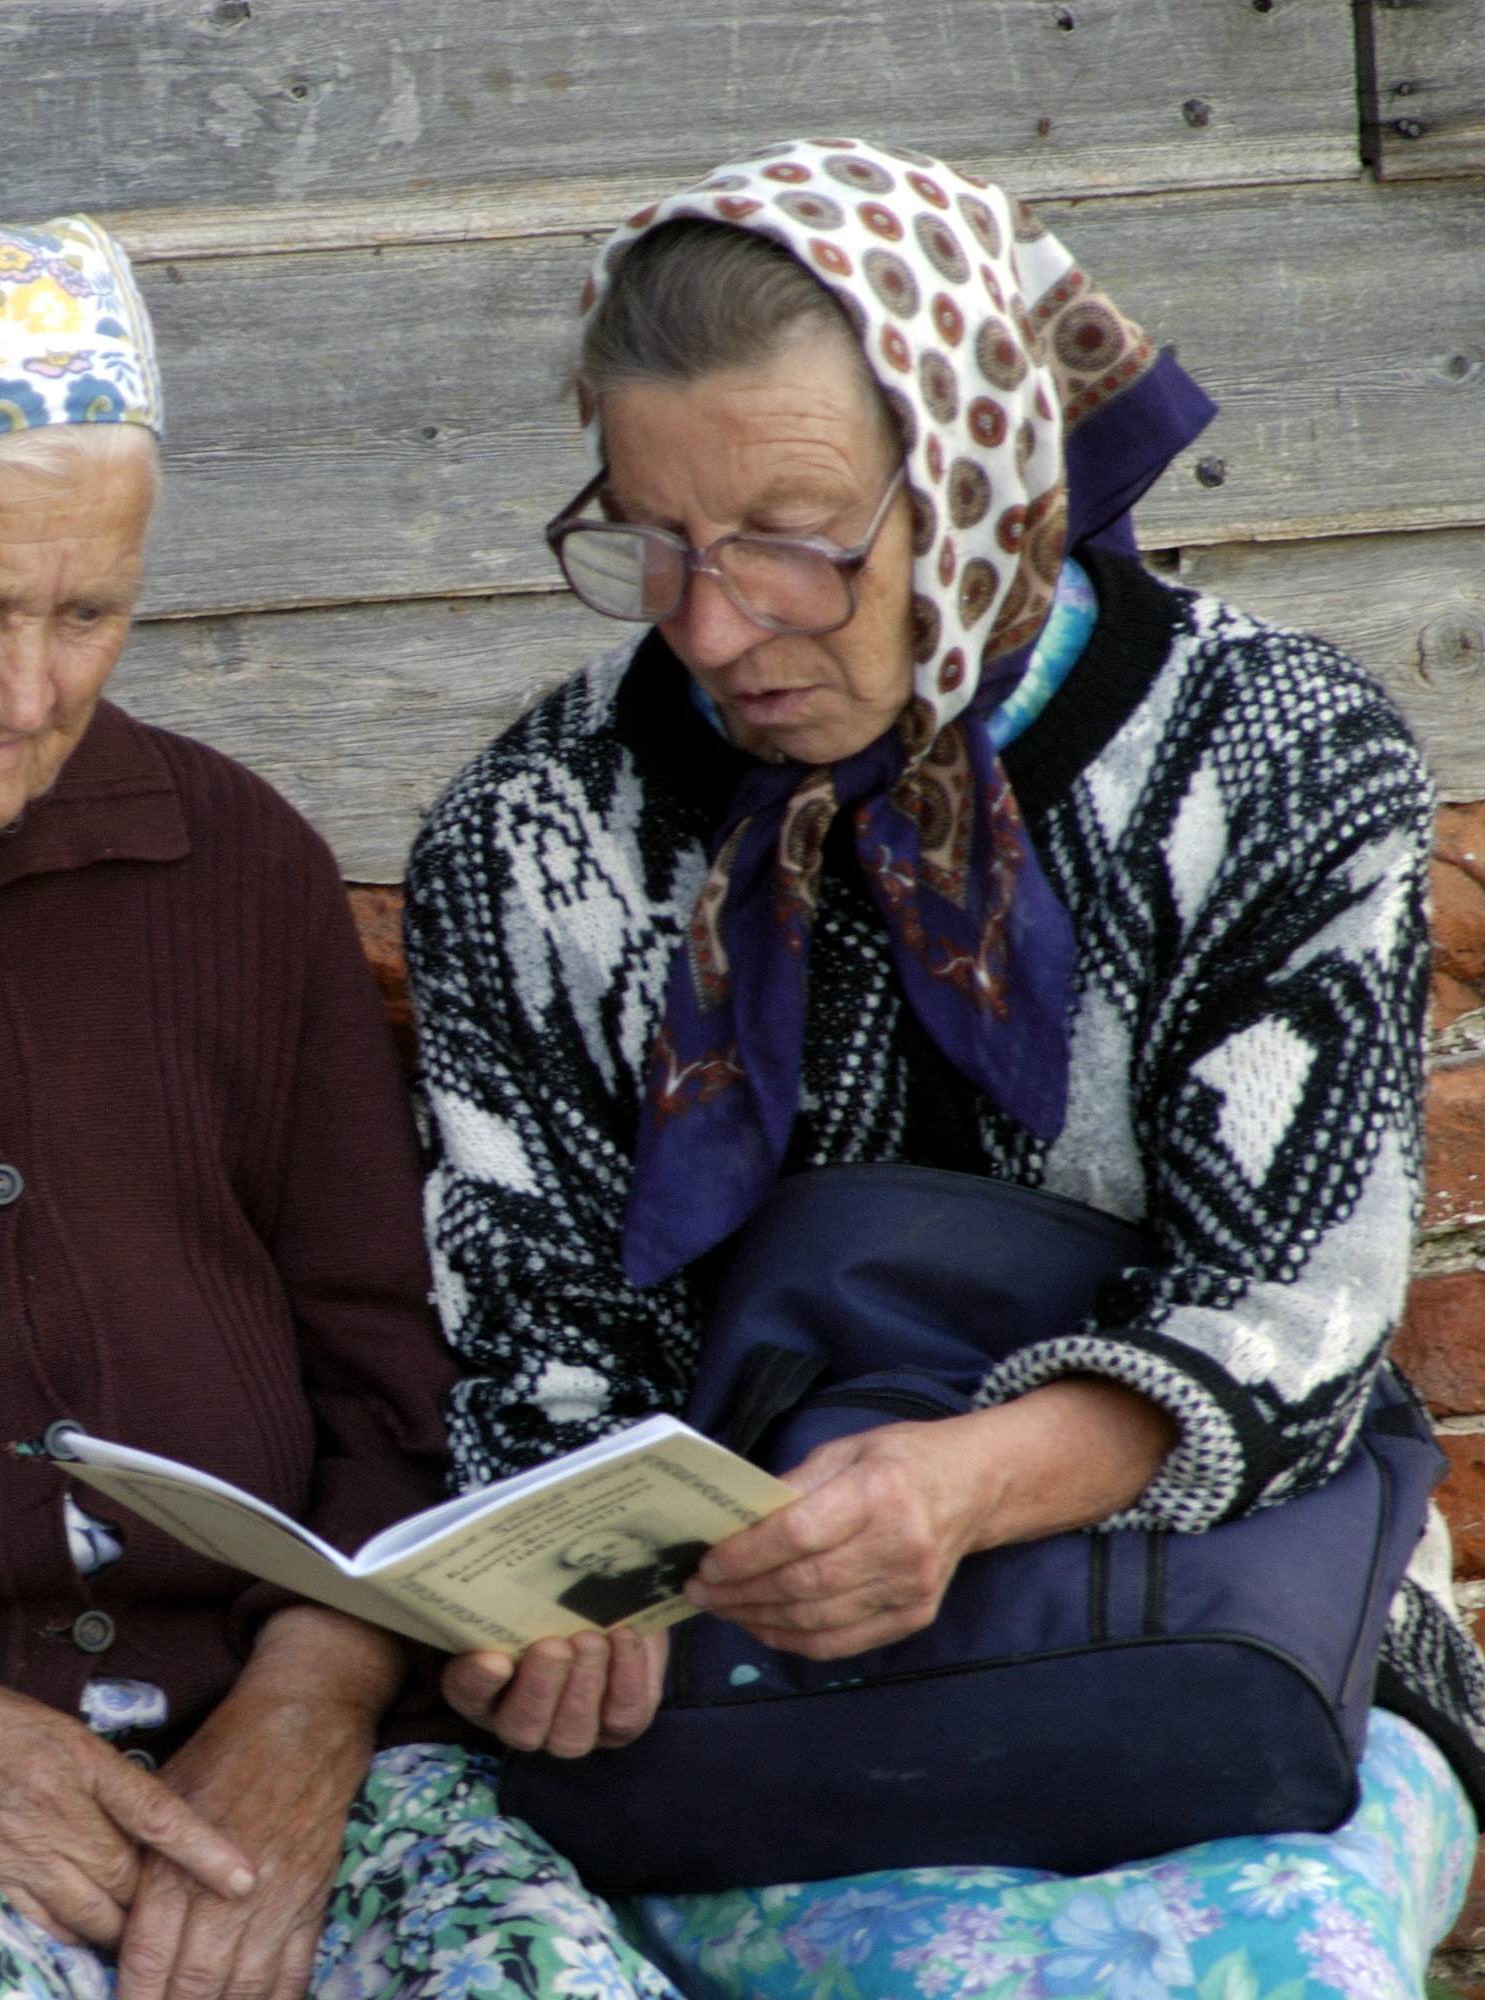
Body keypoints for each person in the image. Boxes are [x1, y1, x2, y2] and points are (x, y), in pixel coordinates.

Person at [405, 138, 1485, 1996]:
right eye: (649, 533)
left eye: (796, 541)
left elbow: (1287, 1325)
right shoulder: (534, 834)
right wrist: (559, 1606)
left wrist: (959, 1489)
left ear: (982, 464)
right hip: (745, 1697)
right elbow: (535, 1346)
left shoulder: (1274, 762)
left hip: (1231, 1642)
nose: (708, 621)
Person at [0, 217, 681, 2000]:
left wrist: (309, 1708)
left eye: (85, 612)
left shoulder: (224, 864)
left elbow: (388, 1372)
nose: (23, 692)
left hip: (285, 1749)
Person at [551, 1529, 708, 1630]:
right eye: (588, 1558)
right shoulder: (577, 1600)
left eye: (610, 1547)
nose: (604, 1556)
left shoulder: (696, 1551)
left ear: (638, 1542)